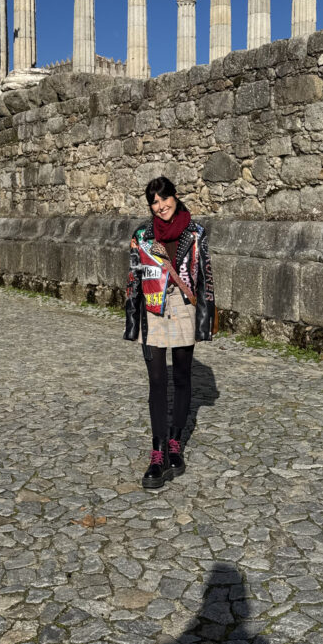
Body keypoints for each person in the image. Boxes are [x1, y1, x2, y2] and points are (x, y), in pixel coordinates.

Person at [124, 176, 215, 489]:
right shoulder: (142, 235)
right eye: (154, 202)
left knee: (182, 377)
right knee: (157, 381)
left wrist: (205, 320)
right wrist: (131, 320)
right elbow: (133, 278)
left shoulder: (196, 232)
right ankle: (158, 453)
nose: (160, 206)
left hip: (184, 308)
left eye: (164, 199)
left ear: (175, 196)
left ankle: (175, 443)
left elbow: (205, 276)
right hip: (152, 310)